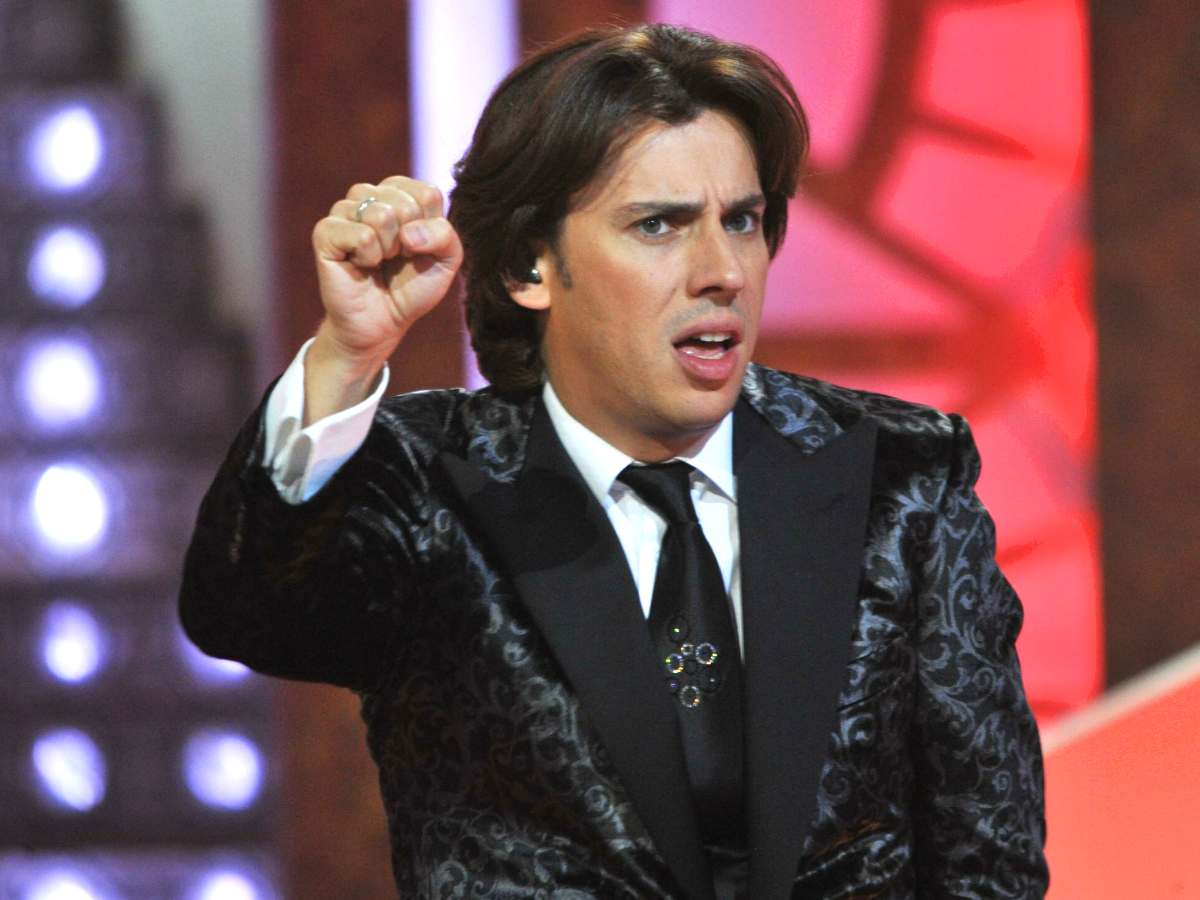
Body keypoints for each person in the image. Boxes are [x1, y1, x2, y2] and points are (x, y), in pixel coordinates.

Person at [180, 23, 1048, 900]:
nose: (722, 271)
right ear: (530, 265)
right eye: (659, 225)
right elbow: (245, 612)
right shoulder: (428, 479)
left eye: (742, 221)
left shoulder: (902, 475)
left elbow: (989, 858)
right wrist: (346, 355)